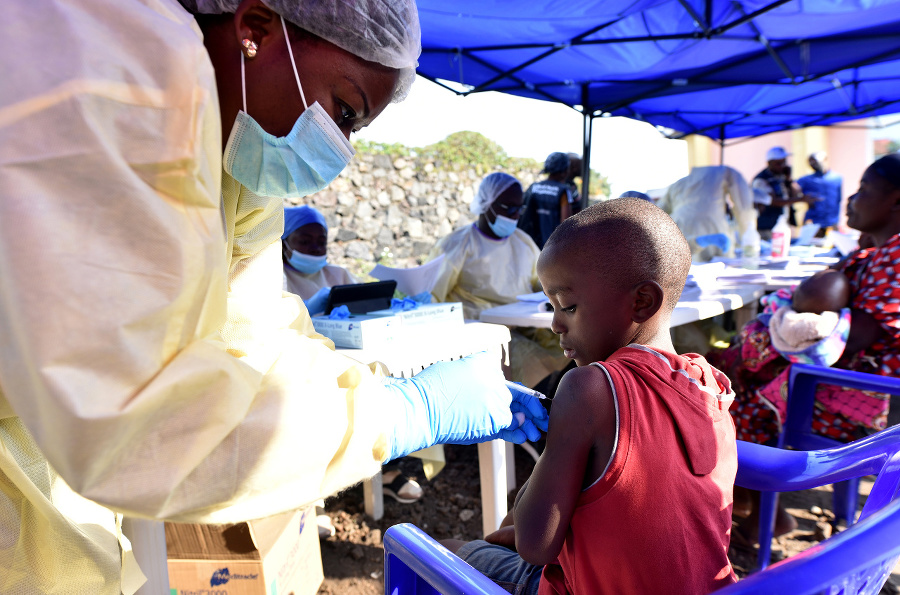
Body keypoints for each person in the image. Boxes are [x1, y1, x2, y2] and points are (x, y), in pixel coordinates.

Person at [0, 1, 548, 592]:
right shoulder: (120, 73)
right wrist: (404, 412)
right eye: (344, 110)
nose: (338, 148)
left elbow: (257, 333)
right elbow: (131, 410)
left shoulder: (233, 153)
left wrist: (380, 389)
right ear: (256, 27)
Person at [443, 198, 739, 594]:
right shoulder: (712, 385)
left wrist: (556, 443)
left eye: (567, 306)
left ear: (642, 302)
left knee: (446, 551)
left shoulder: (590, 388)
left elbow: (535, 545)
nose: (554, 324)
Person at [714, 153, 900, 544]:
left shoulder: (895, 258)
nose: (852, 199)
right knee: (731, 371)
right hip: (844, 380)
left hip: (858, 398)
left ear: (896, 202)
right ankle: (756, 508)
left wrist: (783, 330)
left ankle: (764, 513)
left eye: (864, 190)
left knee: (730, 402)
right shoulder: (880, 253)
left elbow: (855, 337)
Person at [429, 172, 568, 387]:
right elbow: (430, 297)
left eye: (518, 209)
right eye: (507, 208)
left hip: (526, 328)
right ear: (486, 203)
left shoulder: (523, 243)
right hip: (482, 335)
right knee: (529, 361)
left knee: (568, 349)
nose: (514, 215)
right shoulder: (457, 245)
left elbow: (543, 287)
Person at [658, 165, 757, 260]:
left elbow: (656, 213)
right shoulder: (728, 173)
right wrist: (749, 241)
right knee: (719, 268)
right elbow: (744, 209)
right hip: (711, 227)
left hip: (681, 230)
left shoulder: (678, 184)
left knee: (687, 268)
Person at [754, 146, 817, 237]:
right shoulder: (761, 180)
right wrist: (801, 199)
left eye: (784, 162)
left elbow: (796, 193)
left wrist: (789, 179)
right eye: (778, 163)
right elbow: (773, 201)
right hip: (767, 228)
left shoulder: (781, 176)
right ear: (769, 163)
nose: (782, 166)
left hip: (782, 225)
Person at [517, 152, 573, 248]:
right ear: (564, 171)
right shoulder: (563, 191)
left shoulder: (533, 187)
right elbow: (566, 225)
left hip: (527, 245)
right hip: (549, 251)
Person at [798, 151, 843, 233]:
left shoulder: (836, 178)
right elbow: (793, 189)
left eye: (815, 161)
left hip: (832, 222)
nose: (813, 164)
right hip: (813, 222)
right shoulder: (806, 180)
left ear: (825, 160)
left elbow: (838, 199)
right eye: (810, 162)